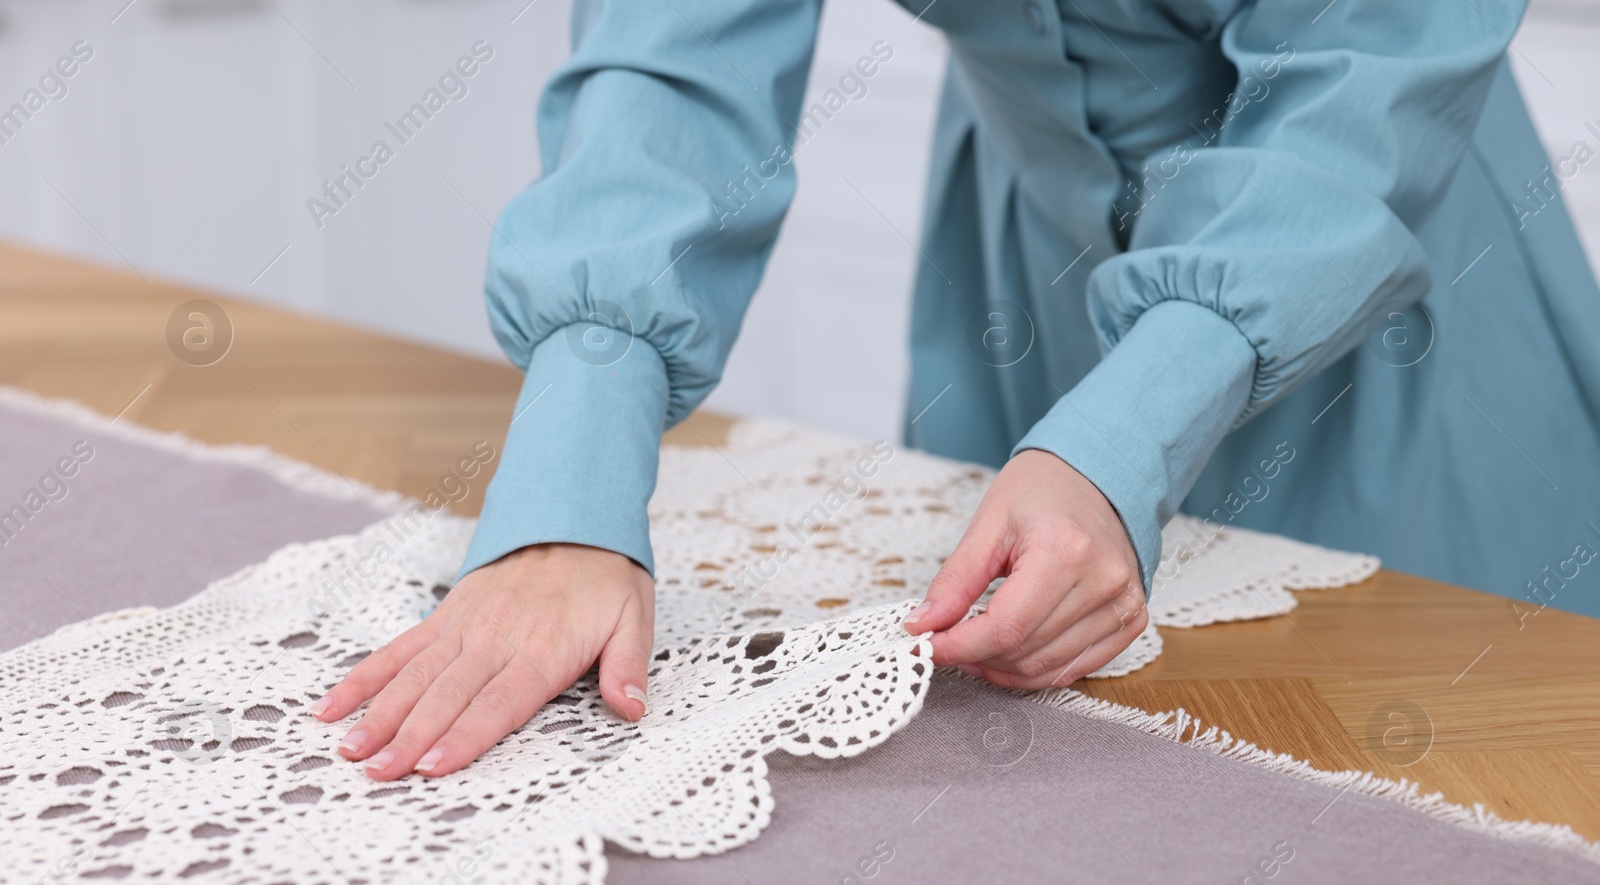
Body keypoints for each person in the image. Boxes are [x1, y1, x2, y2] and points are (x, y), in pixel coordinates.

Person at [311, 0, 1600, 780]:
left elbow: (1374, 63)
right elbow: (671, 62)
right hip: (1023, 291)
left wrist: (1123, 436)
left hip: (1375, 281)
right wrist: (570, 485)